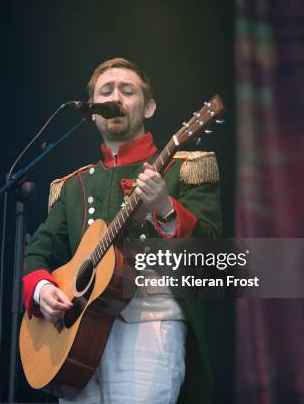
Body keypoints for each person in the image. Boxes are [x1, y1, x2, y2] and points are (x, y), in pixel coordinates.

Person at [22, 58, 221, 403]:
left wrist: (165, 208)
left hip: (147, 326)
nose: (116, 97)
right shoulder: (73, 186)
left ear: (149, 107)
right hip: (73, 337)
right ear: (94, 112)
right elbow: (37, 254)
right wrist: (43, 291)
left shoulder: (184, 169)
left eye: (128, 91)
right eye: (106, 92)